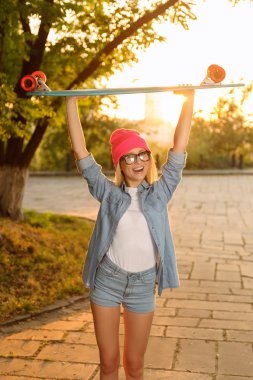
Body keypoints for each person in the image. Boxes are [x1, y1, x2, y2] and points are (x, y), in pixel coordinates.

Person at [66, 90, 195, 380]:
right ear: (119, 164)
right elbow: (81, 153)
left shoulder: (159, 194)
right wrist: (71, 101)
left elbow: (179, 148)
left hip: (142, 285)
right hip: (108, 281)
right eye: (129, 156)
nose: (137, 161)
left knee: (135, 366)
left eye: (143, 154)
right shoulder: (108, 194)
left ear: (149, 158)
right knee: (109, 363)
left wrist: (189, 99)